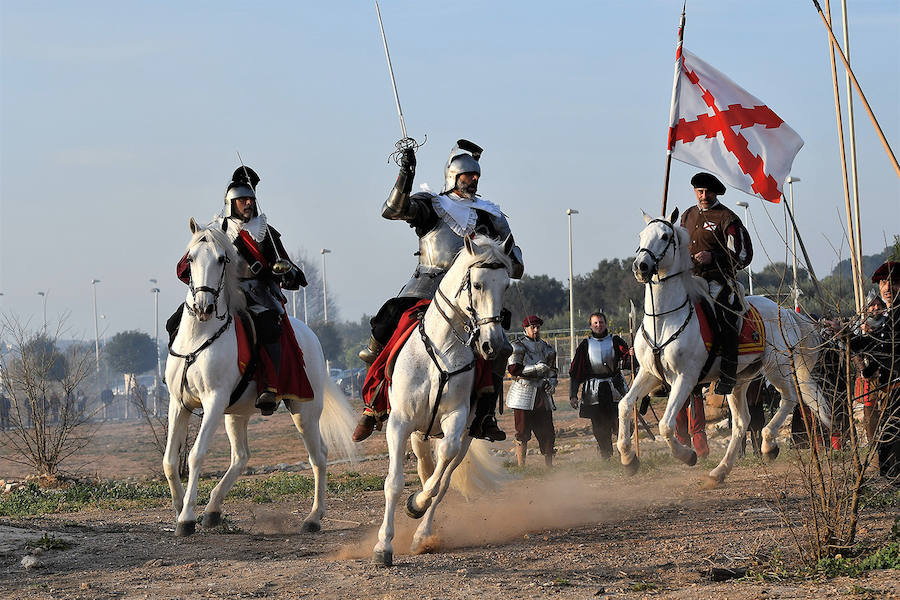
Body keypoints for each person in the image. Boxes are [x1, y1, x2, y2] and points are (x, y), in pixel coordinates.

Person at [353, 139, 524, 442]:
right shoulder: (433, 205)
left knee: (497, 340)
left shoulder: (490, 215)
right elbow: (392, 211)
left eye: (475, 177)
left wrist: (506, 257)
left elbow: (516, 261)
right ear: (453, 177)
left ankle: (485, 414)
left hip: (471, 296)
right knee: (390, 317)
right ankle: (374, 402)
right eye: (467, 176)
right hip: (427, 286)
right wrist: (406, 174)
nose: (473, 181)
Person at [171, 166, 307, 416]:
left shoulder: (265, 233)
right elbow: (187, 265)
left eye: (251, 199)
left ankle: (268, 386)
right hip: (221, 294)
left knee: (269, 328)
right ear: (230, 203)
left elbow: (291, 272)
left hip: (257, 295)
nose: (248, 203)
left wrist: (285, 271)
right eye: (242, 199)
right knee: (176, 320)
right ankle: (176, 373)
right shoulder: (214, 230)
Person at [680, 172, 753, 395]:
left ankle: (729, 374)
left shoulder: (727, 218)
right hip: (689, 278)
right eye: (699, 191)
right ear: (694, 191)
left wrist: (714, 257)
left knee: (725, 318)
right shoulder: (687, 216)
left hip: (718, 280)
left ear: (715, 193)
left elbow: (743, 255)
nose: (703, 196)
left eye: (707, 192)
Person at [849, 261, 900, 482]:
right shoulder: (891, 316)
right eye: (883, 282)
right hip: (892, 390)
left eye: (894, 282)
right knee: (887, 443)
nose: (887, 287)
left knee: (893, 443)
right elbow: (878, 357)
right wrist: (847, 339)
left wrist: (851, 340)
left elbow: (886, 346)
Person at [568, 312, 629, 458]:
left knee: (619, 421)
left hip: (614, 386)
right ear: (591, 325)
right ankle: (606, 455)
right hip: (593, 389)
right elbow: (575, 371)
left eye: (601, 322)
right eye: (595, 323)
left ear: (605, 324)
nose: (598, 325)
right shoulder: (585, 345)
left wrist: (631, 355)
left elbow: (627, 359)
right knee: (599, 425)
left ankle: (624, 450)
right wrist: (573, 394)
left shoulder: (616, 341)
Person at [506, 315, 558, 467]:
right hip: (523, 390)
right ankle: (521, 465)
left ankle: (549, 465)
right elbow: (514, 369)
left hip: (542, 392)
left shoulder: (547, 348)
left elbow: (553, 371)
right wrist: (535, 368)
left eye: (538, 327)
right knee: (522, 431)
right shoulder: (517, 346)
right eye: (532, 327)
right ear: (525, 328)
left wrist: (552, 383)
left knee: (548, 431)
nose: (535, 330)